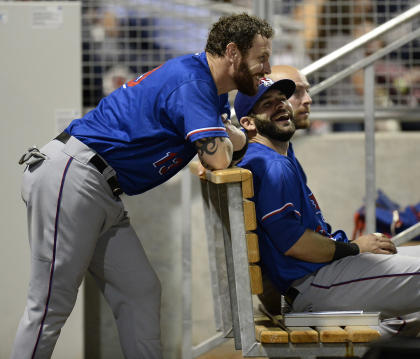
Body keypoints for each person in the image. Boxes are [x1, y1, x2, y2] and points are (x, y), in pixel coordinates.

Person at [13, 13, 273, 359]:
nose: (266, 67)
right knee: (49, 305)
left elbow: (231, 139)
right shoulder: (193, 82)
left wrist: (229, 137)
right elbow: (220, 157)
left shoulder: (210, 91)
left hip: (99, 188)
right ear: (233, 53)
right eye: (261, 57)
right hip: (73, 175)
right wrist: (230, 138)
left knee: (139, 290)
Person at [234, 76, 420, 337]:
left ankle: (373, 350)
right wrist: (355, 247)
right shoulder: (271, 166)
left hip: (318, 277)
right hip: (315, 283)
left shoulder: (277, 155)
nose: (280, 106)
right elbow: (294, 243)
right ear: (248, 123)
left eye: (282, 99)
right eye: (267, 103)